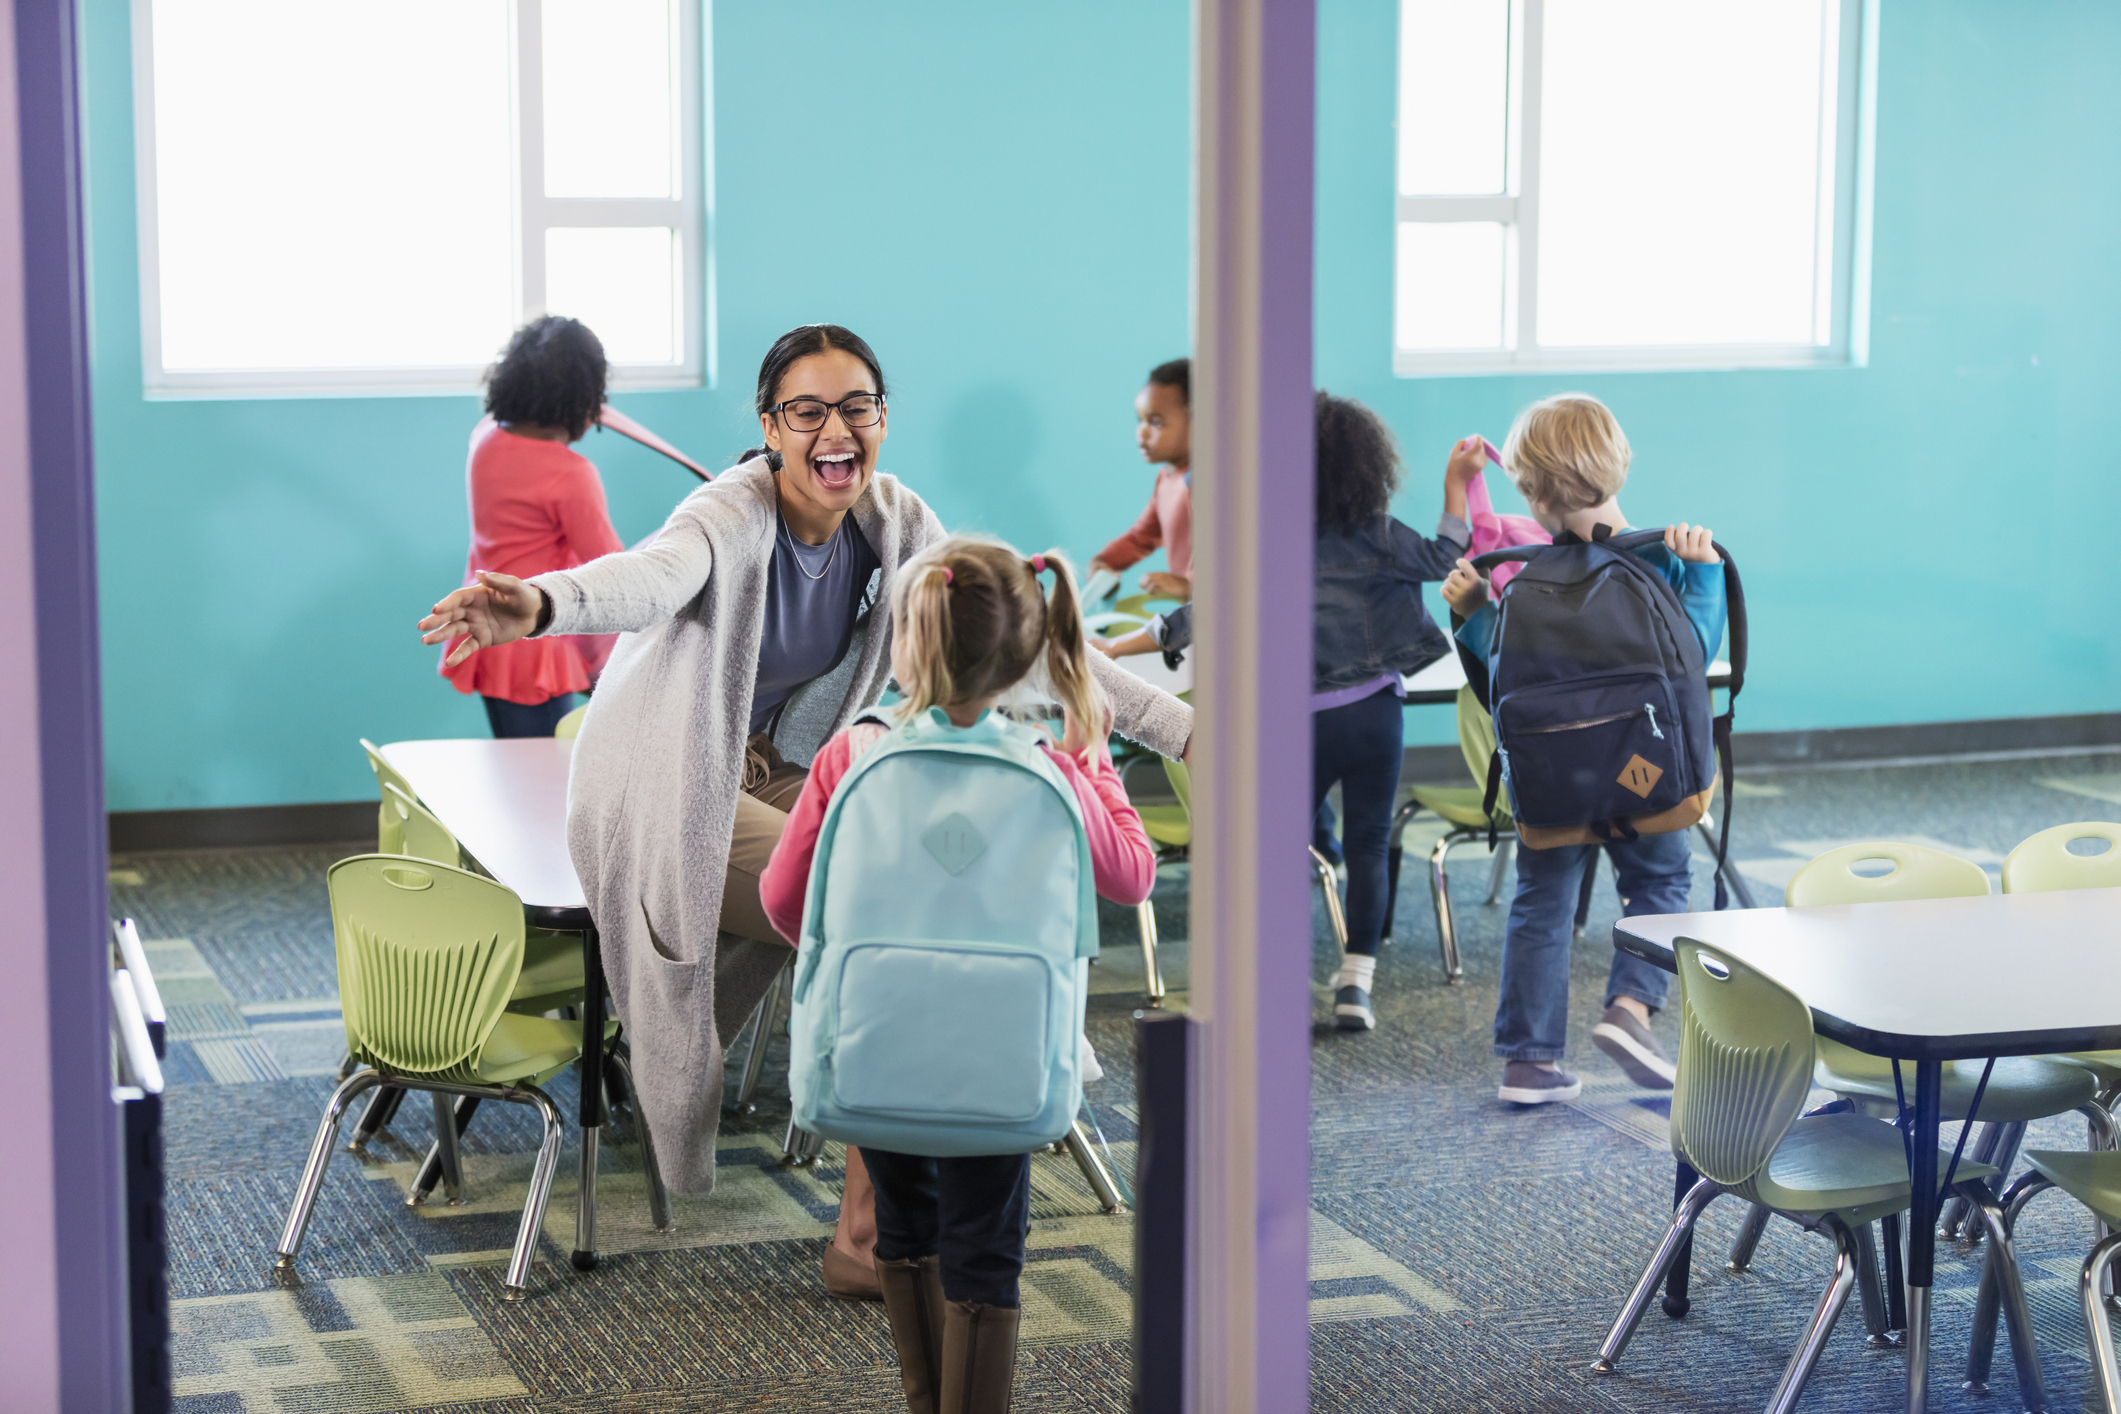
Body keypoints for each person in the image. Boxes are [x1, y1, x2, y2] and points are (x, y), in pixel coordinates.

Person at [415, 325, 1193, 1301]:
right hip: (665, 780)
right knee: (877, 905)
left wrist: (1187, 733)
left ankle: (964, 1134)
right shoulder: (727, 514)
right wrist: (536, 607)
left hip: (770, 767)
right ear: (770, 425)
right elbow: (646, 578)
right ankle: (870, 1237)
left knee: (915, 873)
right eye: (808, 411)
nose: (836, 430)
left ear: (881, 418)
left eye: (856, 407)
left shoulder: (896, 522)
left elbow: (1029, 632)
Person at [758, 536, 1154, 1413]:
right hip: (1003, 1051)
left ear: (908, 640)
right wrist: (1093, 759)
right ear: (1023, 648)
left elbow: (784, 902)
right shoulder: (1051, 761)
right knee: (985, 1248)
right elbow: (1130, 877)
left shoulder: (852, 754)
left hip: (878, 1039)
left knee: (903, 1231)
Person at [1440, 393, 1725, 1105]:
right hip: (1646, 772)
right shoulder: (1658, 561)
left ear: (1533, 495)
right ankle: (1630, 1009)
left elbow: (1500, 685)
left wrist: (1474, 614)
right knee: (1660, 882)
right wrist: (1704, 576)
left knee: (1540, 901)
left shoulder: (1523, 580)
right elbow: (1690, 660)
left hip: (1554, 783)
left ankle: (1529, 1062)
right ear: (1619, 463)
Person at [443, 315, 625, 737]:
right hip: (534, 641)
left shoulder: (485, 438)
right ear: (583, 399)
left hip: (488, 630)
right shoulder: (570, 475)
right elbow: (614, 571)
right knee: (544, 766)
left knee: (517, 760)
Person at [1085, 358, 1192, 610]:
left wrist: (1189, 586)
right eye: (1140, 420)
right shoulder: (1166, 478)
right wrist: (1104, 562)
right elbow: (1141, 538)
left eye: (1155, 422)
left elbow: (1234, 558)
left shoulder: (1210, 484)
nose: (1141, 432)